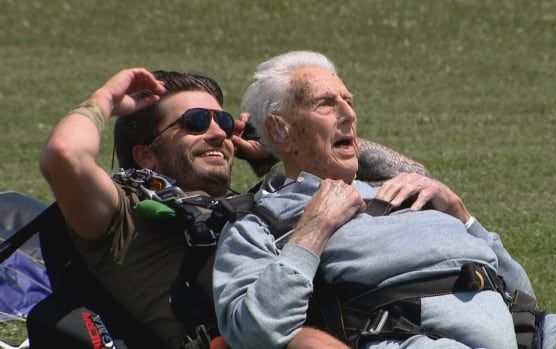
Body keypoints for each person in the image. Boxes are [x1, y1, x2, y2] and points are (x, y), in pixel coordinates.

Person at [212, 51, 556, 349]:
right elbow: (254, 330)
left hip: (526, 330)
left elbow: (521, 291)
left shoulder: (404, 189)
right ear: (280, 131)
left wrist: (462, 216)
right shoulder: (261, 220)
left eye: (349, 102)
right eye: (325, 104)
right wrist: (312, 232)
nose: (348, 115)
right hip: (413, 336)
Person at [39, 67, 428, 348]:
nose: (218, 133)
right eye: (194, 122)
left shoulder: (259, 202)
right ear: (146, 156)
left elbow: (413, 179)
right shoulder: (121, 214)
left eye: (222, 120)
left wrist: (282, 142)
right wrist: (104, 100)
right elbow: (64, 156)